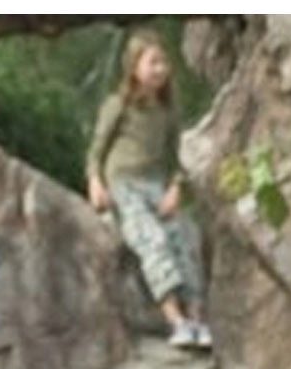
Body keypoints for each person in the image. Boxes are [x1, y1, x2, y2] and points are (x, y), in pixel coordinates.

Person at [87, 30, 213, 352]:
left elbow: (175, 158)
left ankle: (197, 318)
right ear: (134, 67)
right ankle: (176, 321)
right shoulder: (118, 105)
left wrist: (175, 188)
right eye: (152, 62)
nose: (160, 69)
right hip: (124, 184)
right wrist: (95, 182)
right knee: (152, 240)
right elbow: (97, 150)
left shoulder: (167, 111)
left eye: (163, 62)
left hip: (156, 184)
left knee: (183, 238)